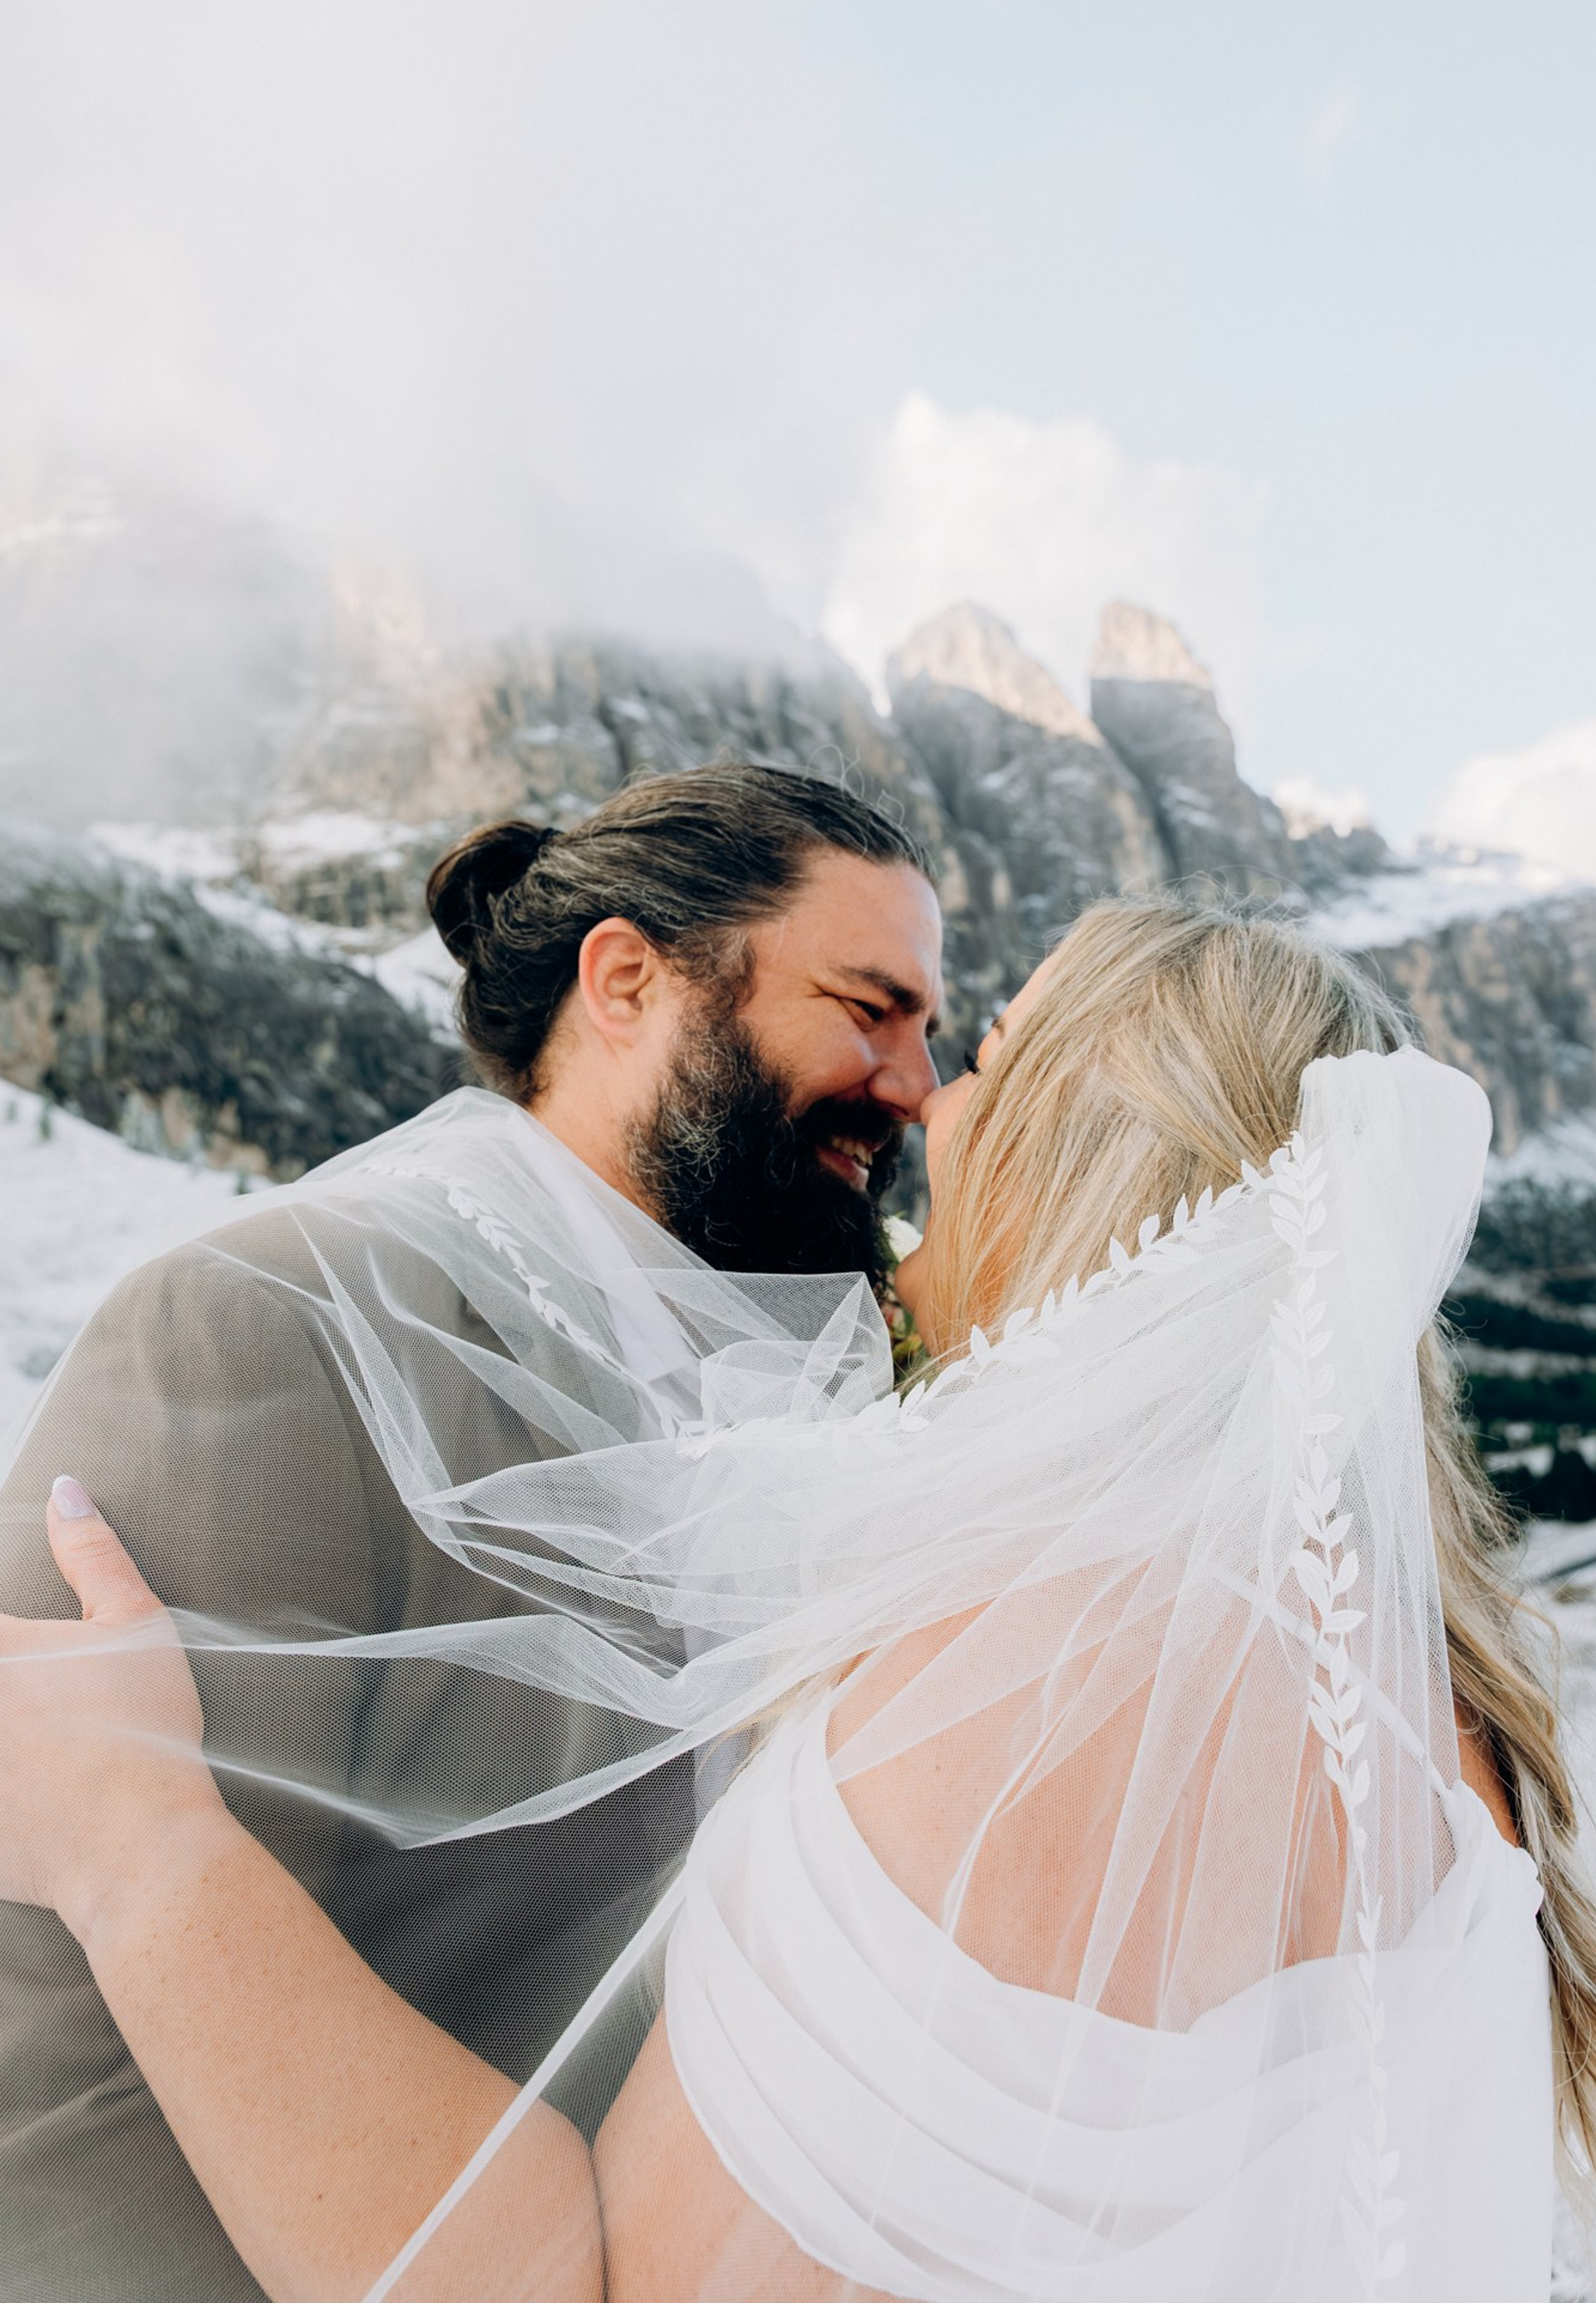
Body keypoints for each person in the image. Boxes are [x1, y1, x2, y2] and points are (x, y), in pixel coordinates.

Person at [1, 897, 1587, 2302]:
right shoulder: (1448, 1726)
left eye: (987, 1064)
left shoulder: (1044, 1675)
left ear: (1080, 1157)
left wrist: (140, 1843)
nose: (932, 1110)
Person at [0, 763, 943, 2302]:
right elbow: (58, 2030)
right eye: (869, 1008)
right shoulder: (254, 1328)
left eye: (927, 1029)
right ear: (627, 981)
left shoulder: (790, 1408)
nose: (913, 1084)